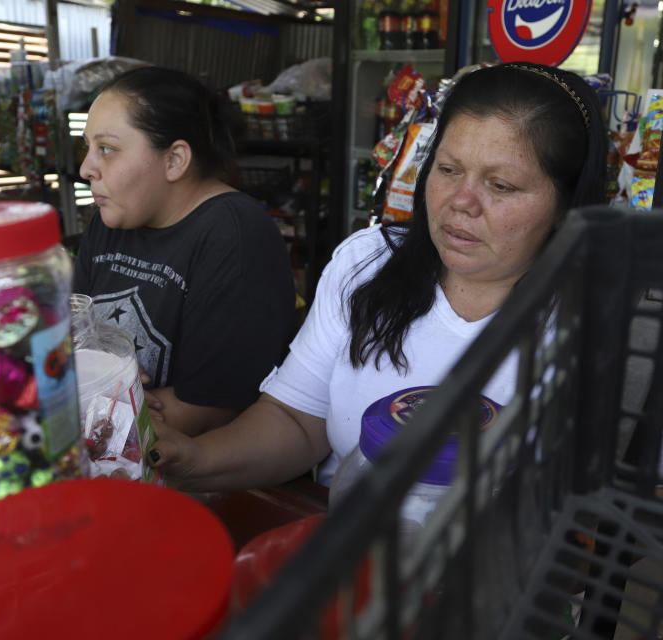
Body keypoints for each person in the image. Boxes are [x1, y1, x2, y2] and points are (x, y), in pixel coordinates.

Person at [145, 62, 609, 491]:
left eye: (501, 185)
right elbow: (296, 419)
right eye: (447, 170)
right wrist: (196, 457)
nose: (460, 201)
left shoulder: (595, 316)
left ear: (565, 206)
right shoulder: (367, 264)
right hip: (350, 552)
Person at [73, 65, 297, 437]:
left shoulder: (235, 237)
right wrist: (109, 383)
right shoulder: (110, 220)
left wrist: (95, 392)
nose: (85, 168)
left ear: (174, 160)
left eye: (107, 149)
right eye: (88, 148)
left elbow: (205, 413)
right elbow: (75, 340)